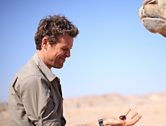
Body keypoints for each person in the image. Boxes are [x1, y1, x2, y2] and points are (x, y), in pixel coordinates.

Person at [8, 15, 142, 126]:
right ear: (45, 43)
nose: (69, 55)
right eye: (64, 49)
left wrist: (105, 123)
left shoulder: (41, 76)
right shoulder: (34, 79)